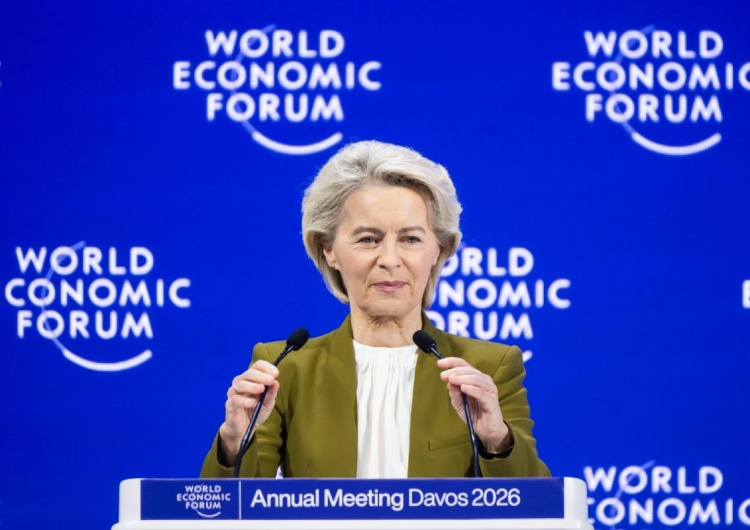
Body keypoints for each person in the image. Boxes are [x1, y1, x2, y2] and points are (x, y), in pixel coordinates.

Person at [201, 140, 550, 478]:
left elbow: (540, 504)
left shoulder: (488, 367)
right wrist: (234, 441)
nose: (390, 260)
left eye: (410, 239)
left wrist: (495, 439)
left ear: (438, 250)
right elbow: (229, 507)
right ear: (328, 249)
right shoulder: (286, 368)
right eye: (368, 239)